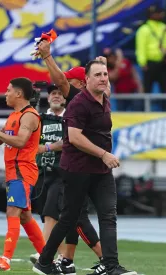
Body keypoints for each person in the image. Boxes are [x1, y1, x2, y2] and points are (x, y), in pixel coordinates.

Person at [32, 60, 138, 275]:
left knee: (108, 216)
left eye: (105, 75)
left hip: (100, 169)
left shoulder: (104, 97)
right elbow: (75, 137)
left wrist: (102, 62)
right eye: (97, 75)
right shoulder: (78, 103)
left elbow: (104, 85)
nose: (102, 78)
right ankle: (44, 262)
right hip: (78, 169)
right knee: (69, 218)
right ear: (86, 80)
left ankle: (111, 266)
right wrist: (104, 154)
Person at [36, 40, 110, 275]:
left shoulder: (79, 102)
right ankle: (64, 259)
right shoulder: (90, 100)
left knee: (72, 216)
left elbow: (73, 139)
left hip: (75, 167)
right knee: (75, 217)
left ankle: (51, 258)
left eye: (68, 81)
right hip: (81, 166)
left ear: (80, 83)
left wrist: (48, 57)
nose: (62, 84)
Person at [30, 85, 104, 275]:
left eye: (59, 94)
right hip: (41, 173)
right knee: (64, 220)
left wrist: (46, 147)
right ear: (47, 98)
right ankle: (65, 261)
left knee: (52, 215)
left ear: (66, 98)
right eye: (52, 93)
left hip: (63, 173)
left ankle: (43, 255)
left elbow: (71, 140)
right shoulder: (39, 119)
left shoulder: (70, 117)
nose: (56, 96)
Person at [0, 77, 46, 272]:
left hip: (23, 171)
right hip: (13, 172)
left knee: (13, 212)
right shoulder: (13, 116)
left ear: (19, 93)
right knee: (25, 216)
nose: (5, 93)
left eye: (8, 90)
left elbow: (20, 141)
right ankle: (47, 257)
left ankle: (6, 259)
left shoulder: (29, 115)